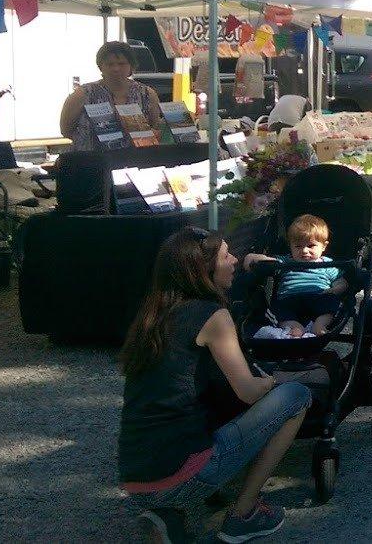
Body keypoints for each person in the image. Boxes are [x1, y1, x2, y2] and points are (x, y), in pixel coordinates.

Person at [119, 227, 311, 543]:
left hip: (135, 476)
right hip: (183, 471)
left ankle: (167, 514)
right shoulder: (213, 316)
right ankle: (244, 514)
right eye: (225, 255)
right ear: (204, 269)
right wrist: (269, 382)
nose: (233, 260)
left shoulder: (153, 313)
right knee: (296, 397)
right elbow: (247, 392)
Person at [242, 214, 346, 338]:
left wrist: (335, 289)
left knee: (332, 302)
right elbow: (267, 260)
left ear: (323, 246)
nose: (304, 250)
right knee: (279, 309)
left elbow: (341, 281)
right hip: (290, 299)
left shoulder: (328, 264)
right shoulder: (286, 261)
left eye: (311, 245)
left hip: (318, 296)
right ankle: (295, 328)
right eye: (298, 246)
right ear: (290, 246)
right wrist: (252, 257)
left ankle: (319, 325)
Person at [60, 40, 164, 150]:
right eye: (110, 64)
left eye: (121, 64)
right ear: (101, 67)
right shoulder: (83, 94)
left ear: (131, 66)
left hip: (134, 160)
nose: (116, 69)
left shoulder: (147, 94)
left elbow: (155, 127)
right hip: (90, 161)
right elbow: (66, 130)